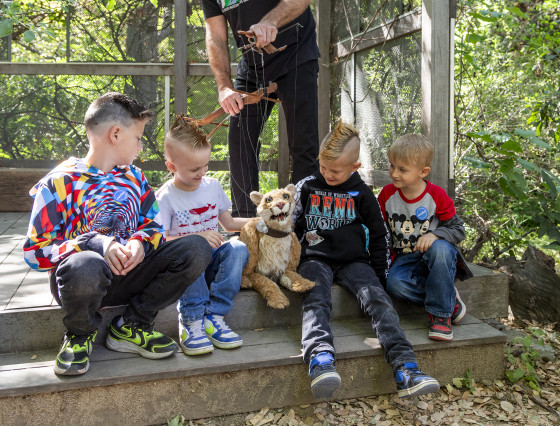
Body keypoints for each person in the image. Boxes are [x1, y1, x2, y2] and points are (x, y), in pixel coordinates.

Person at [23, 93, 211, 376]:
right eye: (138, 137)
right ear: (115, 134)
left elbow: (154, 228)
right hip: (82, 280)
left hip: (130, 274)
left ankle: (132, 326)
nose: (140, 145)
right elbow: (34, 253)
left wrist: (138, 242)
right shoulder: (58, 182)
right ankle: (79, 334)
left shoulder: (135, 177)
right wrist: (93, 242)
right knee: (87, 263)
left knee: (196, 248)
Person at [293, 121, 440, 399]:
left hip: (354, 262)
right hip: (314, 259)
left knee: (379, 302)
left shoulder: (362, 193)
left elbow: (379, 235)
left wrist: (379, 278)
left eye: (335, 171)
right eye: (323, 167)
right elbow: (288, 224)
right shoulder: (307, 186)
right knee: (316, 297)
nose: (326, 174)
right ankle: (320, 359)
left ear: (354, 167)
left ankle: (405, 368)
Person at [201, 0, 320, 217]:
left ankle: (301, 225)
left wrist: (270, 21)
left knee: (303, 145)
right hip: (252, 65)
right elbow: (215, 35)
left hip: (296, 54)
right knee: (239, 140)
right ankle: (246, 226)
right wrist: (224, 87)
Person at [156, 116, 250, 356]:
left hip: (212, 259)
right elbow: (160, 241)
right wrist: (197, 236)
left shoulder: (212, 187)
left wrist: (260, 222)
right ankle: (191, 320)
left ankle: (214, 315)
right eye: (194, 169)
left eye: (205, 165)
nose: (202, 173)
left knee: (238, 248)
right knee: (194, 250)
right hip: (184, 269)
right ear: (172, 166)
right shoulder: (165, 197)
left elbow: (228, 224)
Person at [378, 133, 472, 342]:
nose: (394, 173)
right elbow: (381, 230)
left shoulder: (436, 195)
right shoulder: (386, 195)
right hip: (405, 260)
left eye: (402, 169)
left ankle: (441, 316)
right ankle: (448, 297)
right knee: (395, 285)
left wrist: (436, 234)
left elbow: (458, 229)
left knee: (439, 248)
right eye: (392, 165)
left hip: (436, 257)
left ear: (423, 172)